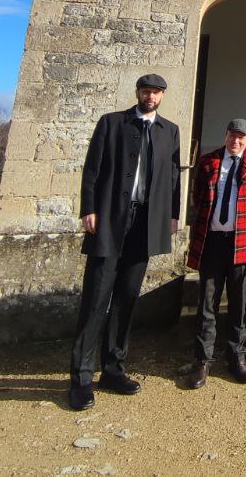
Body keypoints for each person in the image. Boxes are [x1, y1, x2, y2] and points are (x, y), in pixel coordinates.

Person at [68, 74, 182, 411]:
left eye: (156, 93)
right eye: (146, 92)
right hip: (109, 220)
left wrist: (172, 215)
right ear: (138, 93)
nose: (151, 97)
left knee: (126, 299)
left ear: (162, 96)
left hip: (145, 224)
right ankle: (81, 378)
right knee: (95, 298)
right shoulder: (111, 123)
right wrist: (88, 208)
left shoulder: (170, 131)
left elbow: (173, 177)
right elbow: (93, 167)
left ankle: (113, 369)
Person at [183, 118, 246, 388]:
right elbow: (197, 198)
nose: (236, 141)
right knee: (207, 303)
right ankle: (202, 360)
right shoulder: (208, 162)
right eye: (232, 136)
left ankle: (236, 357)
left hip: (242, 242)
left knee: (239, 303)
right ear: (225, 136)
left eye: (241, 137)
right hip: (212, 241)